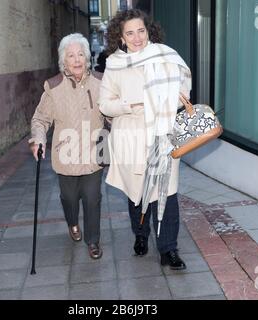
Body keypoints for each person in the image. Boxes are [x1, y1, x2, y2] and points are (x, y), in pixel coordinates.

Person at [99, 9, 192, 269]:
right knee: (137, 195)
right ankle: (141, 236)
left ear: (148, 30)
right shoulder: (114, 65)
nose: (137, 37)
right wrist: (130, 105)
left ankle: (168, 250)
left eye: (141, 30)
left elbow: (183, 88)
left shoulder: (165, 56)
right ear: (121, 37)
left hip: (162, 134)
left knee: (166, 193)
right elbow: (105, 104)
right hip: (129, 136)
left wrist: (170, 102)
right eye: (130, 32)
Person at [29, 33, 105, 259]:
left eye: (81, 53)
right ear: (64, 60)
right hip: (66, 155)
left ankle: (93, 241)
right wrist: (39, 139)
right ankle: (72, 223)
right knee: (69, 198)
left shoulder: (101, 82)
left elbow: (114, 111)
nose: (77, 59)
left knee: (93, 198)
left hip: (94, 153)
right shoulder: (53, 87)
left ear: (87, 57)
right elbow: (40, 119)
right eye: (71, 55)